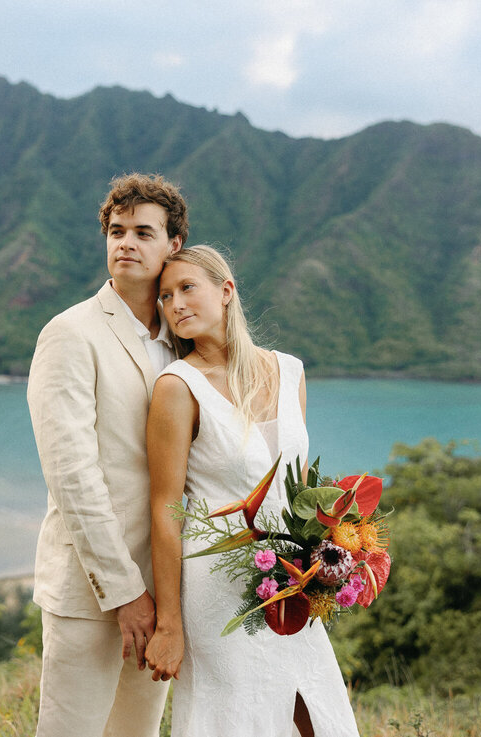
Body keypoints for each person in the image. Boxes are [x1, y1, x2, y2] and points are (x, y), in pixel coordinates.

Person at [143, 245, 359, 737]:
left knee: (316, 711)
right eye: (165, 296)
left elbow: (299, 488)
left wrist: (334, 552)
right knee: (237, 716)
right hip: (217, 586)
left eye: (186, 288)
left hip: (291, 581)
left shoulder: (290, 371)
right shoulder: (177, 387)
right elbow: (164, 509)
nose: (175, 304)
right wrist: (169, 624)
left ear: (226, 290)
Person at [27, 173, 189, 737]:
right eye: (116, 231)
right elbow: (72, 474)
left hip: (166, 592)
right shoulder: (70, 333)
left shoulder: (180, 342)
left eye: (144, 232)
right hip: (90, 590)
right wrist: (125, 593)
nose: (126, 243)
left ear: (173, 245)